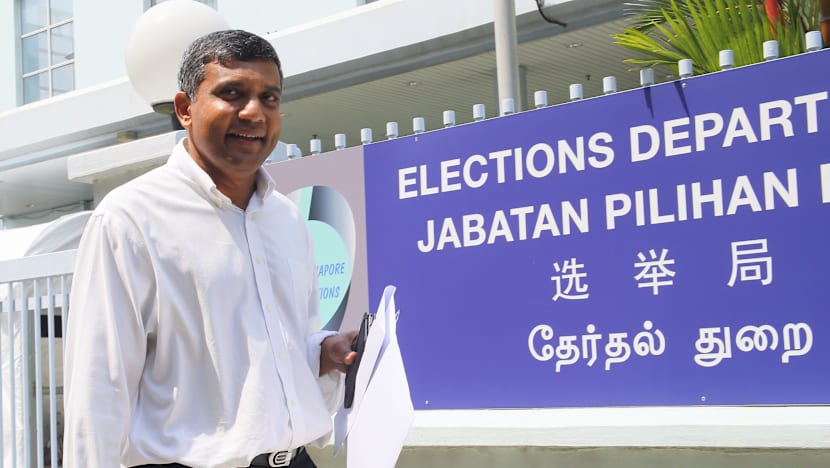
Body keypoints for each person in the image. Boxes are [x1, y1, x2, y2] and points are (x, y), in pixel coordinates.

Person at [63, 29, 357, 468]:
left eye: (270, 98)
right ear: (185, 109)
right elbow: (98, 386)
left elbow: (269, 348)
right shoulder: (130, 218)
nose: (254, 112)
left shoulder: (287, 218)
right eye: (232, 93)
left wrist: (321, 353)